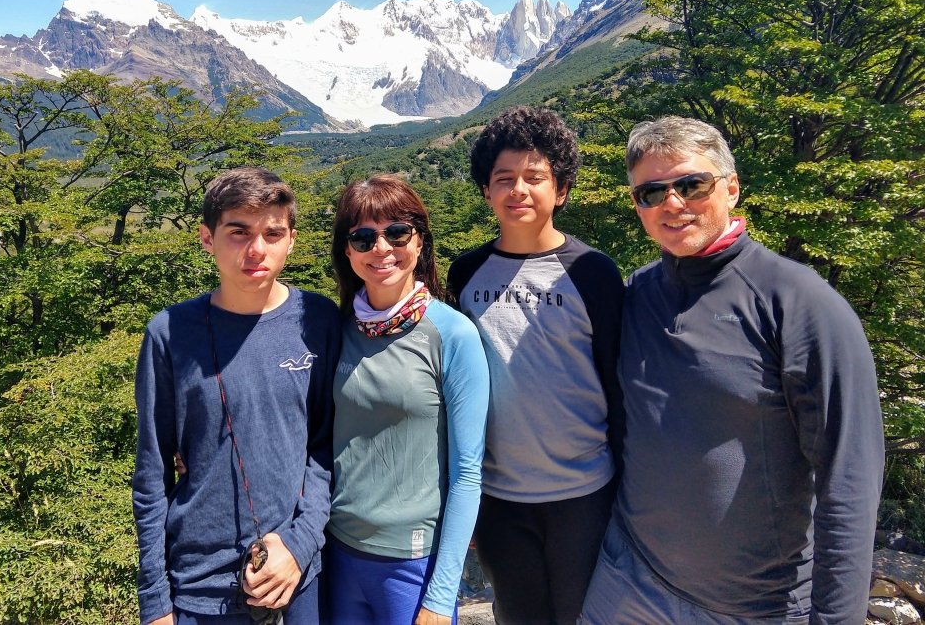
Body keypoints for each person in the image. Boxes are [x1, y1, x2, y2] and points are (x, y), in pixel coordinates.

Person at [581, 116, 885, 624]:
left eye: (692, 184)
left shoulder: (797, 302)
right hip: (628, 579)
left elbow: (849, 476)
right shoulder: (637, 295)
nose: (672, 204)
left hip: (755, 606)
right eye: (650, 193)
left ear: (732, 188)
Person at [132, 167, 340, 625]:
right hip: (201, 589)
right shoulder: (170, 334)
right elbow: (151, 474)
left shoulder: (318, 320)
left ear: (292, 240)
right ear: (207, 238)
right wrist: (155, 602)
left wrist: (299, 542)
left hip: (300, 575)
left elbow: (325, 447)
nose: (256, 249)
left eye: (273, 232)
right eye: (239, 232)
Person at [446, 106, 625, 625]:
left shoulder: (592, 273)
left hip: (585, 492)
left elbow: (618, 385)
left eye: (535, 177)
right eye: (504, 178)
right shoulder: (467, 274)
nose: (518, 189)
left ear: (561, 189)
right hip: (500, 495)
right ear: (486, 190)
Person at [326, 174, 490, 625]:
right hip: (336, 551)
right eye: (363, 237)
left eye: (397, 232)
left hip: (412, 562)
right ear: (348, 250)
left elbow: (468, 472)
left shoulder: (452, 334)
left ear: (420, 243)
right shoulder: (335, 329)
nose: (381, 248)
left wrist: (440, 596)